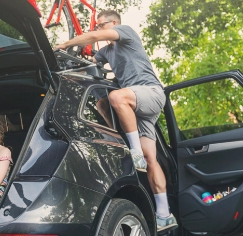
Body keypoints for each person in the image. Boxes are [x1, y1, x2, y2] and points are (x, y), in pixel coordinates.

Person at [54, 10, 178, 232]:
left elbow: (92, 37)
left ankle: (134, 150)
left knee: (116, 96)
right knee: (149, 157)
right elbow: (89, 62)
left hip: (150, 93)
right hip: (138, 107)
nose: (98, 29)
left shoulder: (126, 33)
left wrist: (65, 43)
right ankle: (164, 214)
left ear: (113, 24)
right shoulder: (107, 52)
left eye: (101, 25)